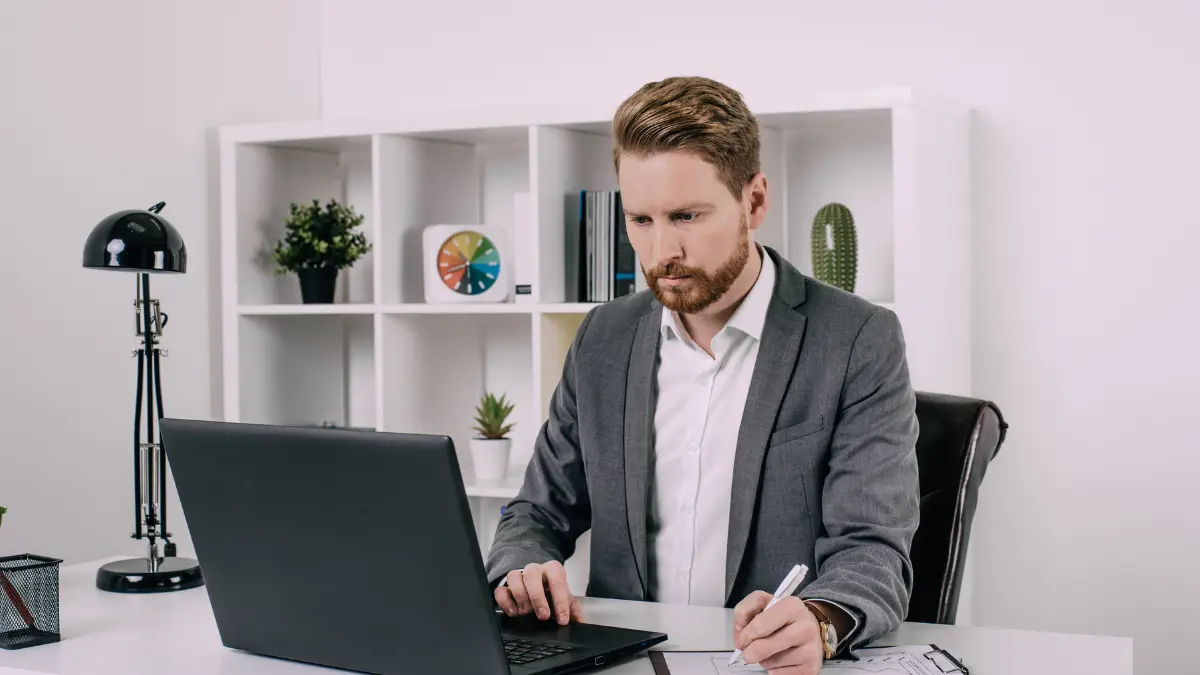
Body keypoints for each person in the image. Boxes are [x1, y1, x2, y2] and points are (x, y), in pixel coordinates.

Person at [485, 75, 920, 674]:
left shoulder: (856, 340)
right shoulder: (602, 338)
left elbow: (873, 548)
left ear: (755, 201)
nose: (662, 250)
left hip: (763, 667)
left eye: (686, 216)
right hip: (626, 664)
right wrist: (520, 570)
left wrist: (822, 618)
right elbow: (538, 511)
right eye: (640, 220)